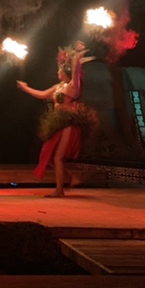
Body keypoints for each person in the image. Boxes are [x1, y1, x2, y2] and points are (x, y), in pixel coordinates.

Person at [16, 41, 98, 197]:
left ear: (66, 72)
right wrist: (25, 88)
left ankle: (60, 190)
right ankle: (72, 178)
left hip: (68, 124)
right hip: (59, 124)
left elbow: (76, 70)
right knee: (48, 154)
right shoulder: (58, 87)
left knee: (57, 157)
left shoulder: (73, 86)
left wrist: (77, 57)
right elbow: (42, 94)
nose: (58, 71)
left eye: (60, 69)